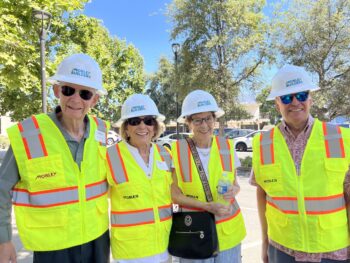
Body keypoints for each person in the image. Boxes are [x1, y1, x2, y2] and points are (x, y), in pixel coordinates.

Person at [0, 53, 110, 263]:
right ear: (57, 90)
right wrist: (3, 240)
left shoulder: (102, 132)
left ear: (94, 100)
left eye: (85, 93)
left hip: (98, 240)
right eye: (69, 90)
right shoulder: (29, 134)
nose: (76, 99)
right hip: (53, 248)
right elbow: (1, 189)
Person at [251, 64, 350, 263]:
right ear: (277, 103)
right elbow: (262, 195)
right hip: (282, 248)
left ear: (310, 98)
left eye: (301, 95)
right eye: (286, 97)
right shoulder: (262, 144)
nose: (295, 102)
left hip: (332, 250)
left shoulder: (341, 138)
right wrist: (264, 241)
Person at [171, 89, 246, 263]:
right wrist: (206, 206)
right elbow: (174, 195)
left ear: (214, 119)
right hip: (193, 231)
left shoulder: (227, 146)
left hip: (228, 230)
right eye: (197, 120)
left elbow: (236, 184)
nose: (204, 125)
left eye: (208, 119)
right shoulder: (177, 150)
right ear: (188, 122)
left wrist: (233, 191)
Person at [106, 94, 173, 263]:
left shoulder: (165, 154)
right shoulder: (110, 156)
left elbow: (176, 193)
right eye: (135, 121)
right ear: (126, 128)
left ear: (155, 126)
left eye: (148, 121)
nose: (142, 126)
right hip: (130, 253)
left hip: (164, 248)